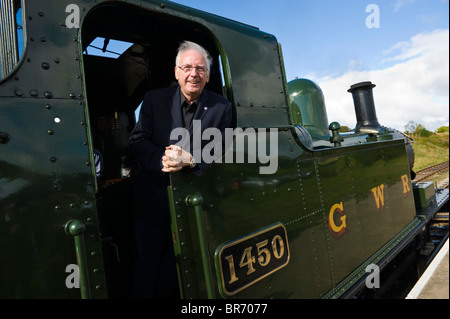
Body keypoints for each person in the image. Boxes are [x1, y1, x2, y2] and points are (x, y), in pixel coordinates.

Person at [128, 41, 233, 298]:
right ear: (176, 72)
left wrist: (192, 161)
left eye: (199, 68)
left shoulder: (222, 108)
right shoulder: (153, 100)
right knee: (146, 267)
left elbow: (222, 151)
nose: (193, 73)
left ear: (208, 76)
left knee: (183, 271)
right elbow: (137, 140)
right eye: (187, 67)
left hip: (195, 204)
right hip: (152, 200)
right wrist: (162, 159)